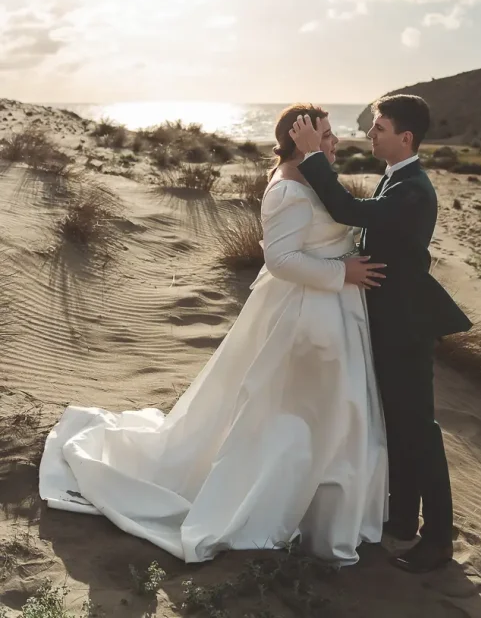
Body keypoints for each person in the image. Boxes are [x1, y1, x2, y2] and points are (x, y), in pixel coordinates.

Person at [39, 104, 388, 565]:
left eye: (329, 134)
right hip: (304, 316)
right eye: (324, 135)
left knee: (329, 413)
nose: (333, 142)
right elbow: (280, 262)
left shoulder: (313, 174)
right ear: (298, 138)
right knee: (294, 413)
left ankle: (318, 508)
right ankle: (274, 506)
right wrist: (340, 271)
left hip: (331, 311)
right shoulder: (287, 189)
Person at [290, 94, 472, 574]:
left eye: (379, 127)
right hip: (390, 323)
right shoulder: (396, 178)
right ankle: (402, 522)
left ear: (405, 137)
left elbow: (349, 209)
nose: (370, 134)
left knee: (419, 431)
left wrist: (311, 156)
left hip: (407, 328)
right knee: (398, 425)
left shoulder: (412, 188)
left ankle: (436, 541)